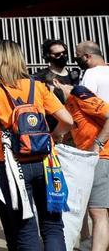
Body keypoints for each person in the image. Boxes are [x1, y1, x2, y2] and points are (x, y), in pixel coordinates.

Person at [0, 39, 73, 251]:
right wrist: (52, 136)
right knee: (53, 225)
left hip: (11, 163)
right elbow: (68, 121)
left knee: (24, 225)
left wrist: (0, 138)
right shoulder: (38, 86)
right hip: (46, 161)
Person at [53, 81, 109, 251]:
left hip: (101, 157)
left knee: (97, 212)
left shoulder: (79, 93)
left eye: (48, 90)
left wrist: (97, 145)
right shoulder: (65, 106)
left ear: (56, 83)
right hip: (89, 159)